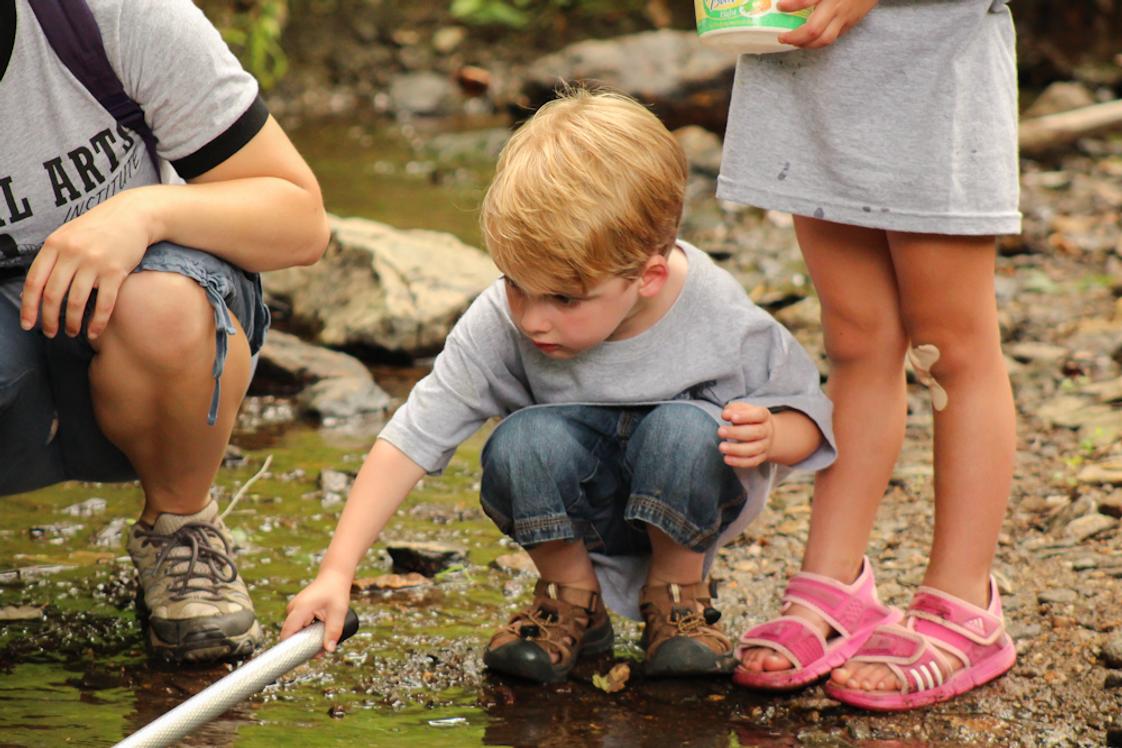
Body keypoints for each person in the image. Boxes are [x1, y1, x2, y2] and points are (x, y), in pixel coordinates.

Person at [281, 88, 837, 683]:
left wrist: (774, 434)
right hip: (578, 508)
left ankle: (678, 599)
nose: (532, 319)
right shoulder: (502, 319)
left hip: (687, 499)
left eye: (565, 299)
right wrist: (337, 569)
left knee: (682, 431)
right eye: (516, 285)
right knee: (522, 442)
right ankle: (571, 598)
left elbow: (813, 413)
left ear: (647, 276)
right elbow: (412, 437)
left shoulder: (715, 311)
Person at [0, 0, 329, 663]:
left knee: (166, 309)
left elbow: (301, 220)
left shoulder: (108, 15)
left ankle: (181, 528)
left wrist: (144, 212)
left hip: (140, 315)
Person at [720, 0, 1020, 710]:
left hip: (931, 62)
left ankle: (964, 602)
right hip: (815, 67)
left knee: (949, 348)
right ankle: (835, 585)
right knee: (856, 339)